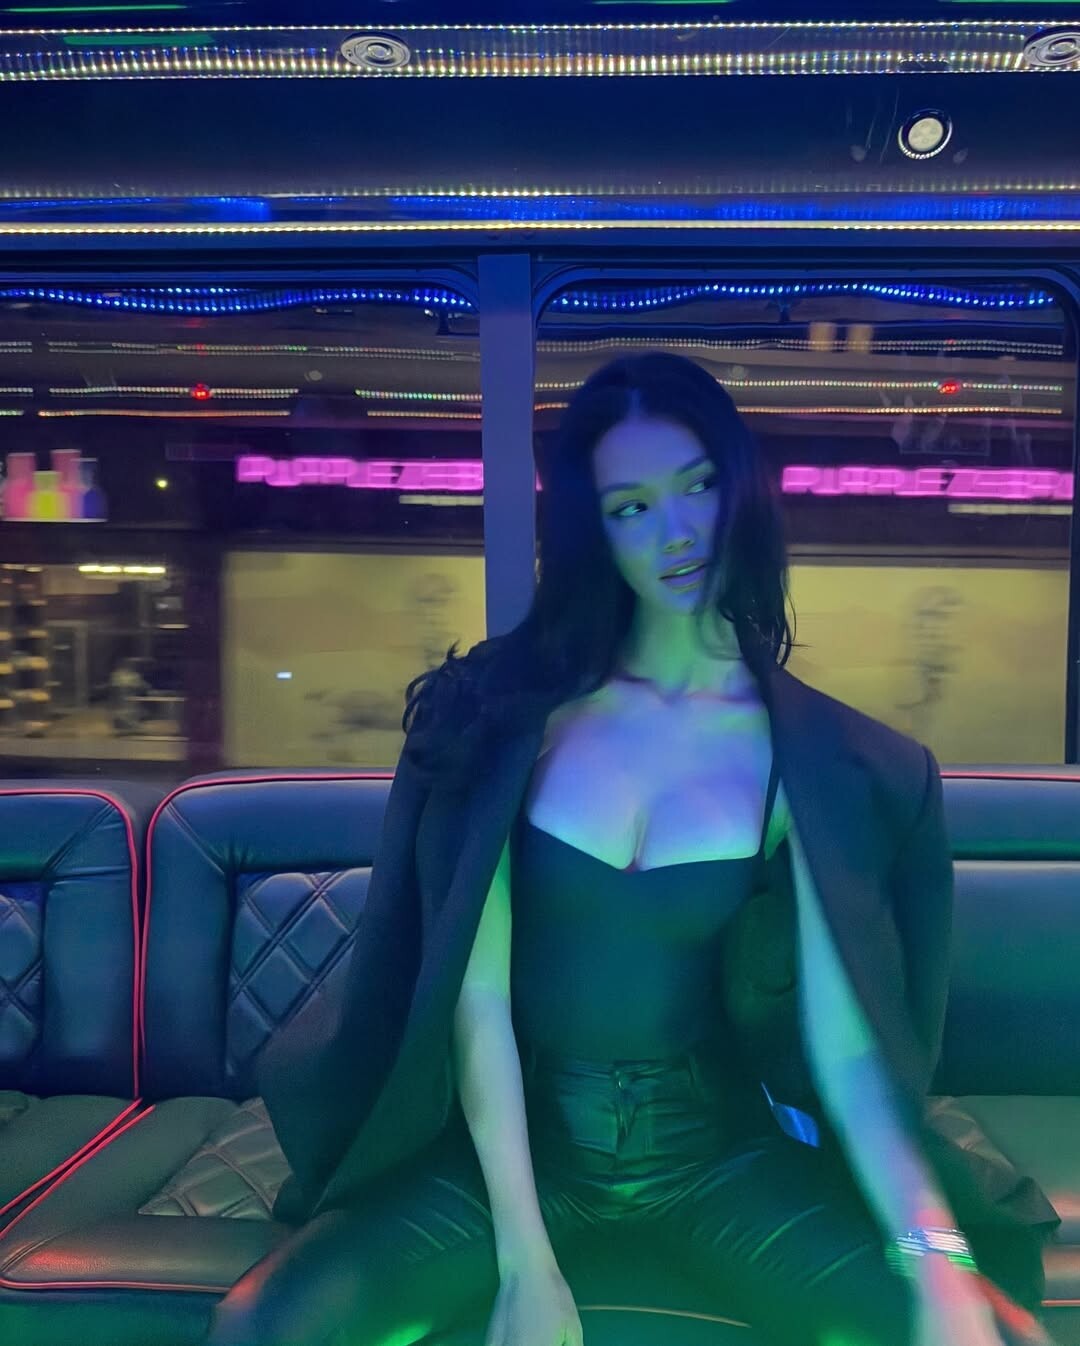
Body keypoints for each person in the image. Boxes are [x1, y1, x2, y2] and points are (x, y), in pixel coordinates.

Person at [206, 352, 1058, 1346]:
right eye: (633, 507)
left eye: (697, 486)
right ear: (593, 528)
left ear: (739, 490)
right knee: (264, 1324)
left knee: (988, 1334)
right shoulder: (509, 716)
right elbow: (474, 1004)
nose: (677, 530)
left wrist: (937, 1259)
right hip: (515, 1156)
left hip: (717, 1157)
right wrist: (526, 1260)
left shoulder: (807, 757)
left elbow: (849, 1049)